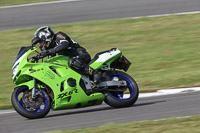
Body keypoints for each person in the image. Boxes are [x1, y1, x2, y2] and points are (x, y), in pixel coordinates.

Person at [31, 26, 98, 81]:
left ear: (46, 37)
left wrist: (50, 51)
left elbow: (64, 44)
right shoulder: (51, 52)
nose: (40, 45)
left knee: (72, 62)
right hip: (71, 63)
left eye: (40, 42)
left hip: (80, 55)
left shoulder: (59, 35)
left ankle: (94, 73)